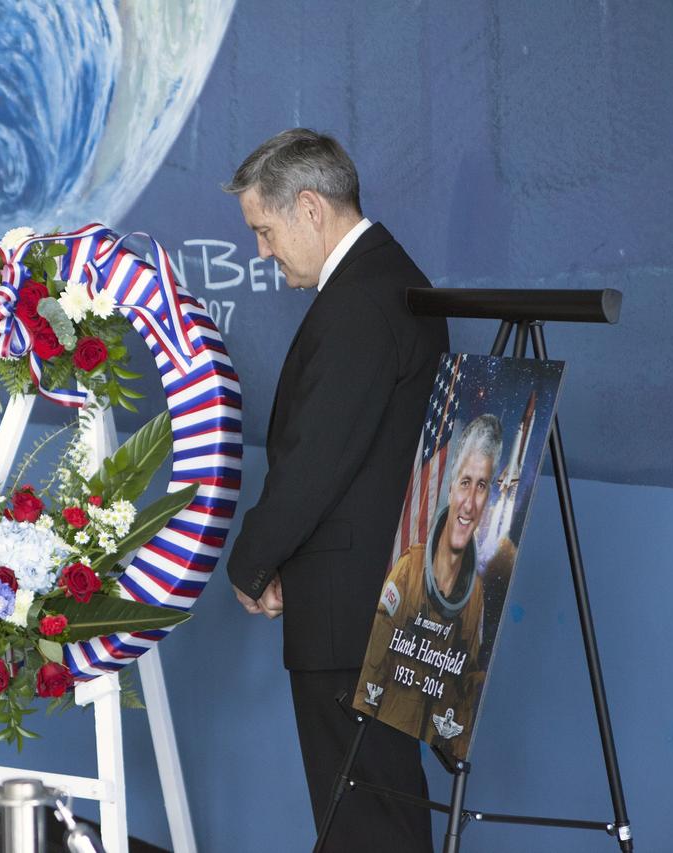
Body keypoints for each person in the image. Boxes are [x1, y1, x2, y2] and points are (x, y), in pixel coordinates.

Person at [223, 128, 449, 851]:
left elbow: (317, 458)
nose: (262, 251)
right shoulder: (384, 281)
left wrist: (251, 562)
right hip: (367, 600)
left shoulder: (361, 301)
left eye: (264, 229)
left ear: (311, 207)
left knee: (365, 818)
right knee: (374, 806)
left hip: (350, 614)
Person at [357, 414, 503, 757]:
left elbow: (465, 685)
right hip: (381, 745)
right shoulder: (409, 572)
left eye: (481, 486)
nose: (469, 502)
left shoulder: (474, 596)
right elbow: (370, 681)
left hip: (424, 745)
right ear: (450, 486)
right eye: (465, 482)